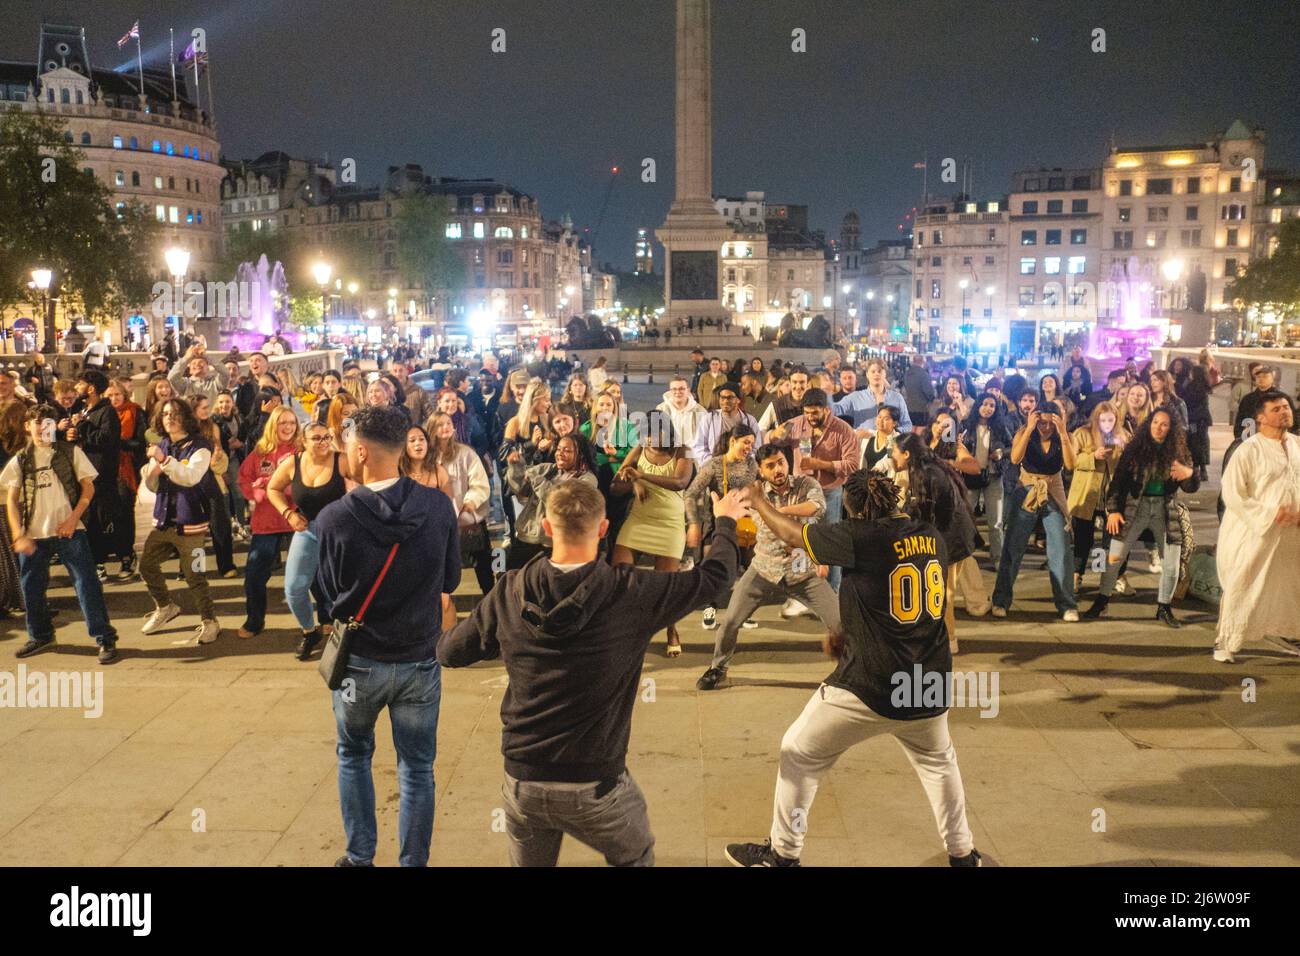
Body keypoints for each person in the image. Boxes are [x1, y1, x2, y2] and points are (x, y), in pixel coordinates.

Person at [437, 479, 746, 867]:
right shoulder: (631, 592)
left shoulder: (509, 592)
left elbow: (450, 652)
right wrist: (726, 522)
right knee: (636, 855)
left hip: (524, 780)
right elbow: (716, 577)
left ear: (547, 529)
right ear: (603, 530)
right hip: (596, 786)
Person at [724, 471, 982, 868]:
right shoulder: (929, 534)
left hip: (872, 685)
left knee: (798, 753)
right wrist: (848, 630)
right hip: (929, 680)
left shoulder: (860, 537)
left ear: (857, 508)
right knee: (939, 763)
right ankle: (963, 855)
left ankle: (782, 854)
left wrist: (759, 502)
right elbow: (887, 598)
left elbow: (794, 536)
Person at [316, 405, 461, 868]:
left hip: (360, 661)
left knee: (354, 754)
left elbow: (327, 593)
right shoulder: (437, 506)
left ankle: (359, 857)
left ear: (360, 451)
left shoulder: (336, 517)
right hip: (419, 659)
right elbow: (451, 579)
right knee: (418, 768)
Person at [696, 442, 840, 689]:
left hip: (801, 571)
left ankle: (851, 669)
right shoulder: (754, 493)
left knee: (840, 622)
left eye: (781, 462)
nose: (778, 469)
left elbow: (817, 507)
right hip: (763, 569)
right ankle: (717, 667)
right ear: (761, 471)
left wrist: (779, 511)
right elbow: (740, 517)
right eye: (770, 466)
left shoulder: (807, 485)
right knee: (730, 621)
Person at [2, 404, 120, 663]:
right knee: (30, 587)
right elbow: (12, 500)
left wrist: (73, 518)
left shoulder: (70, 452)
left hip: (70, 531)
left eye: (48, 425)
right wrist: (18, 533)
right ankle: (41, 636)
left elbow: (88, 488)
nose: (43, 430)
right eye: (38, 424)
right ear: (27, 426)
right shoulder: (21, 459)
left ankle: (104, 637)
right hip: (34, 534)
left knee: (86, 584)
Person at [1084, 408, 1199, 628]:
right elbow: (1118, 482)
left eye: (1164, 424)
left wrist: (1189, 474)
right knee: (1113, 558)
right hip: (1135, 508)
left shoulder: (1179, 452)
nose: (1159, 427)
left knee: (1172, 564)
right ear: (1149, 423)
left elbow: (1190, 486)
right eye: (1155, 422)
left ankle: (1164, 607)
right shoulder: (1136, 449)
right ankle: (1101, 600)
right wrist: (1113, 509)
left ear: (1171, 428)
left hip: (1166, 510)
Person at [1213, 391, 1300, 662]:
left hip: (1291, 532)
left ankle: (1291, 633)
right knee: (1244, 583)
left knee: (1290, 586)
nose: (1285, 412)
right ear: (1260, 418)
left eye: (1287, 407)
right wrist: (1271, 514)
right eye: (1277, 409)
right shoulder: (1249, 450)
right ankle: (1226, 640)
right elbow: (1233, 494)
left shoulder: (1298, 445)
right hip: (1255, 532)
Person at [136, 397, 222, 645]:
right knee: (146, 565)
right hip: (164, 521)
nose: (170, 418)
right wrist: (151, 472)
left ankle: (210, 621)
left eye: (175, 413)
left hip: (192, 524)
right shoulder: (162, 444)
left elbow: (191, 477)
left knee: (195, 575)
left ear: (185, 416)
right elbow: (152, 486)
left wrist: (163, 461)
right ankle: (165, 606)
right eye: (165, 414)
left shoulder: (200, 446)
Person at [267, 421, 349, 660]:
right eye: (316, 438)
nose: (323, 442)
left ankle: (348, 636)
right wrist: (288, 513)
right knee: (293, 588)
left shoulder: (341, 460)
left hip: (338, 534)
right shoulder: (292, 463)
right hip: (308, 531)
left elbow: (367, 484)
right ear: (303, 441)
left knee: (341, 590)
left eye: (326, 437)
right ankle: (309, 631)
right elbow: (273, 488)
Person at [610, 417, 693, 656]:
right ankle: (623, 629)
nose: (649, 440)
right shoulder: (640, 450)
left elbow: (680, 482)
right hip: (639, 519)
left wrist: (641, 476)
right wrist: (632, 481)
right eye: (645, 435)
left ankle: (671, 630)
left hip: (670, 523)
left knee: (664, 585)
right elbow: (615, 487)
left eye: (654, 435)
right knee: (620, 577)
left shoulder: (682, 450)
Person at [765, 388, 859, 594]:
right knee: (800, 542)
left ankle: (832, 591)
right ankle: (802, 592)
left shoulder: (843, 430)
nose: (810, 417)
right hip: (802, 492)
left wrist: (822, 464)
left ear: (826, 409)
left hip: (829, 492)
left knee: (830, 543)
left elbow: (852, 464)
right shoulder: (797, 424)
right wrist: (774, 434)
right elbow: (769, 442)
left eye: (814, 413)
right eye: (807, 412)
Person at [991, 401, 1079, 621]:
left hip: (1053, 488)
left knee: (1060, 547)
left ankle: (1067, 604)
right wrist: (1029, 427)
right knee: (1014, 545)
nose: (1045, 427)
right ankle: (1001, 600)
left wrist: (1063, 432)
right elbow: (1014, 458)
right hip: (1027, 487)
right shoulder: (1025, 432)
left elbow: (1070, 464)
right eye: (1042, 423)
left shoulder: (1063, 436)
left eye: (1050, 423)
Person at [686, 424, 759, 630]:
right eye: (746, 442)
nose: (749, 448)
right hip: (716, 525)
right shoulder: (715, 465)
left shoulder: (752, 465)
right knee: (714, 569)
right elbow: (690, 493)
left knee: (750, 570)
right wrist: (693, 523)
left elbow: (760, 490)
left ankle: (741, 612)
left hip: (745, 525)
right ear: (732, 441)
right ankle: (710, 608)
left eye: (752, 444)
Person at [236, 406, 300, 639]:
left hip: (296, 520)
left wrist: (285, 486)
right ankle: (254, 621)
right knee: (254, 574)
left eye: (292, 423)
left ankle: (324, 618)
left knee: (312, 573)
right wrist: (255, 493)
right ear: (274, 424)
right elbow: (243, 478)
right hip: (266, 522)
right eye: (283, 422)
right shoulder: (260, 451)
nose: (288, 427)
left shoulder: (301, 450)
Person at [506, 432, 600, 569]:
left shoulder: (587, 480)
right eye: (559, 449)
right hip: (527, 537)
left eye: (567, 450)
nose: (560, 453)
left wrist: (536, 479)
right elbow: (520, 486)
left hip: (555, 544)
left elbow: (559, 503)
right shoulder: (548, 469)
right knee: (512, 580)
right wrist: (516, 466)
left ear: (581, 455)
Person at [1068, 402, 1129, 594]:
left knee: (1108, 541)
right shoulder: (1082, 433)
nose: (1107, 423)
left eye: (1111, 419)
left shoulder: (1123, 436)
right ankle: (1076, 575)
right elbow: (1071, 461)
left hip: (1111, 497)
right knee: (1082, 539)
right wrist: (1093, 456)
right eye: (1103, 420)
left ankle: (1103, 577)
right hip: (1086, 495)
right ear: (1096, 419)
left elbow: (1129, 463)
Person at [72, 370, 121, 582]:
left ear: (91, 388)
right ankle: (91, 561)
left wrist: (82, 426)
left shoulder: (107, 412)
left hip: (100, 477)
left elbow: (105, 439)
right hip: (84, 474)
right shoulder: (84, 410)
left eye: (79, 384)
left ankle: (100, 563)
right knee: (87, 519)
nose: (76, 388)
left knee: (97, 521)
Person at [692, 383, 762, 467]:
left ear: (738, 400)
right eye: (722, 397)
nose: (725, 401)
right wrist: (713, 463)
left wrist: (743, 463)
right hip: (715, 468)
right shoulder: (708, 419)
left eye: (730, 397)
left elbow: (756, 448)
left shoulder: (750, 421)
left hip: (742, 469)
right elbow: (699, 446)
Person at [833, 358, 912, 431]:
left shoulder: (897, 398)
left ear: (885, 374)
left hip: (890, 444)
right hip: (864, 444)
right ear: (867, 374)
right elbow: (835, 410)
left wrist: (895, 432)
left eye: (879, 371)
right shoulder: (855, 397)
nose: (876, 374)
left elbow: (907, 425)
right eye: (873, 371)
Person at [655, 376, 706, 461]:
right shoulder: (660, 409)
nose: (678, 392)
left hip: (693, 458)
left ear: (688, 390)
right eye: (674, 389)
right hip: (668, 457)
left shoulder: (700, 411)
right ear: (670, 391)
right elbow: (655, 437)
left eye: (682, 388)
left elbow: (705, 439)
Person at [902, 353, 936, 430]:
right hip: (921, 408)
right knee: (920, 434)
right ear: (923, 362)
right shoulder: (924, 374)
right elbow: (928, 392)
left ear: (913, 361)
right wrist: (932, 399)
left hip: (909, 408)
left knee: (911, 433)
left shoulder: (907, 374)